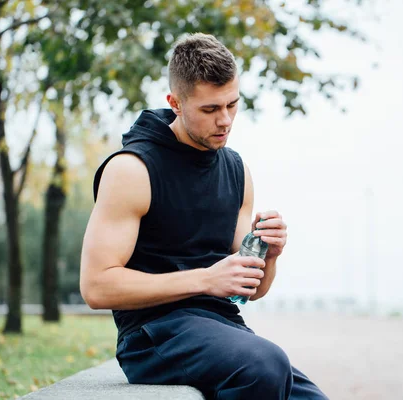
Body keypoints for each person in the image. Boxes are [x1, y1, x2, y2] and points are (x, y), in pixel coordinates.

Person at [80, 32, 328, 399]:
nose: (225, 120)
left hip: (222, 325)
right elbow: (96, 287)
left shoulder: (236, 170)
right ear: (175, 103)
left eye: (232, 105)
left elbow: (252, 290)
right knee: (266, 364)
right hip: (153, 335)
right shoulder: (132, 170)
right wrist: (205, 280)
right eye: (210, 110)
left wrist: (270, 256)